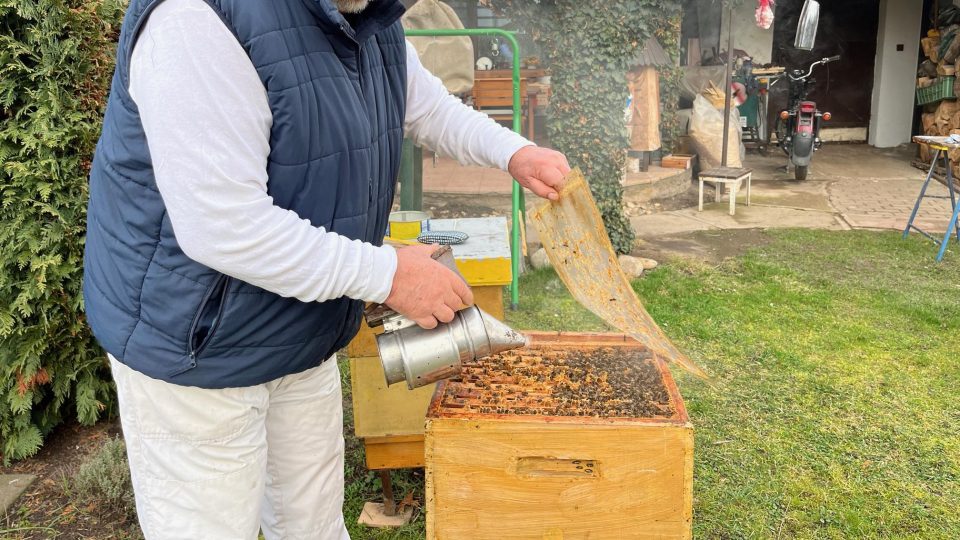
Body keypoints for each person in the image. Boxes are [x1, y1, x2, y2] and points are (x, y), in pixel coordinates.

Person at [82, 0, 569, 538]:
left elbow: (424, 106)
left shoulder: (367, 19)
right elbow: (223, 227)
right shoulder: (194, 17)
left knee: (313, 526)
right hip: (196, 351)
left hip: (301, 326)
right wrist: (390, 275)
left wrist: (514, 153)